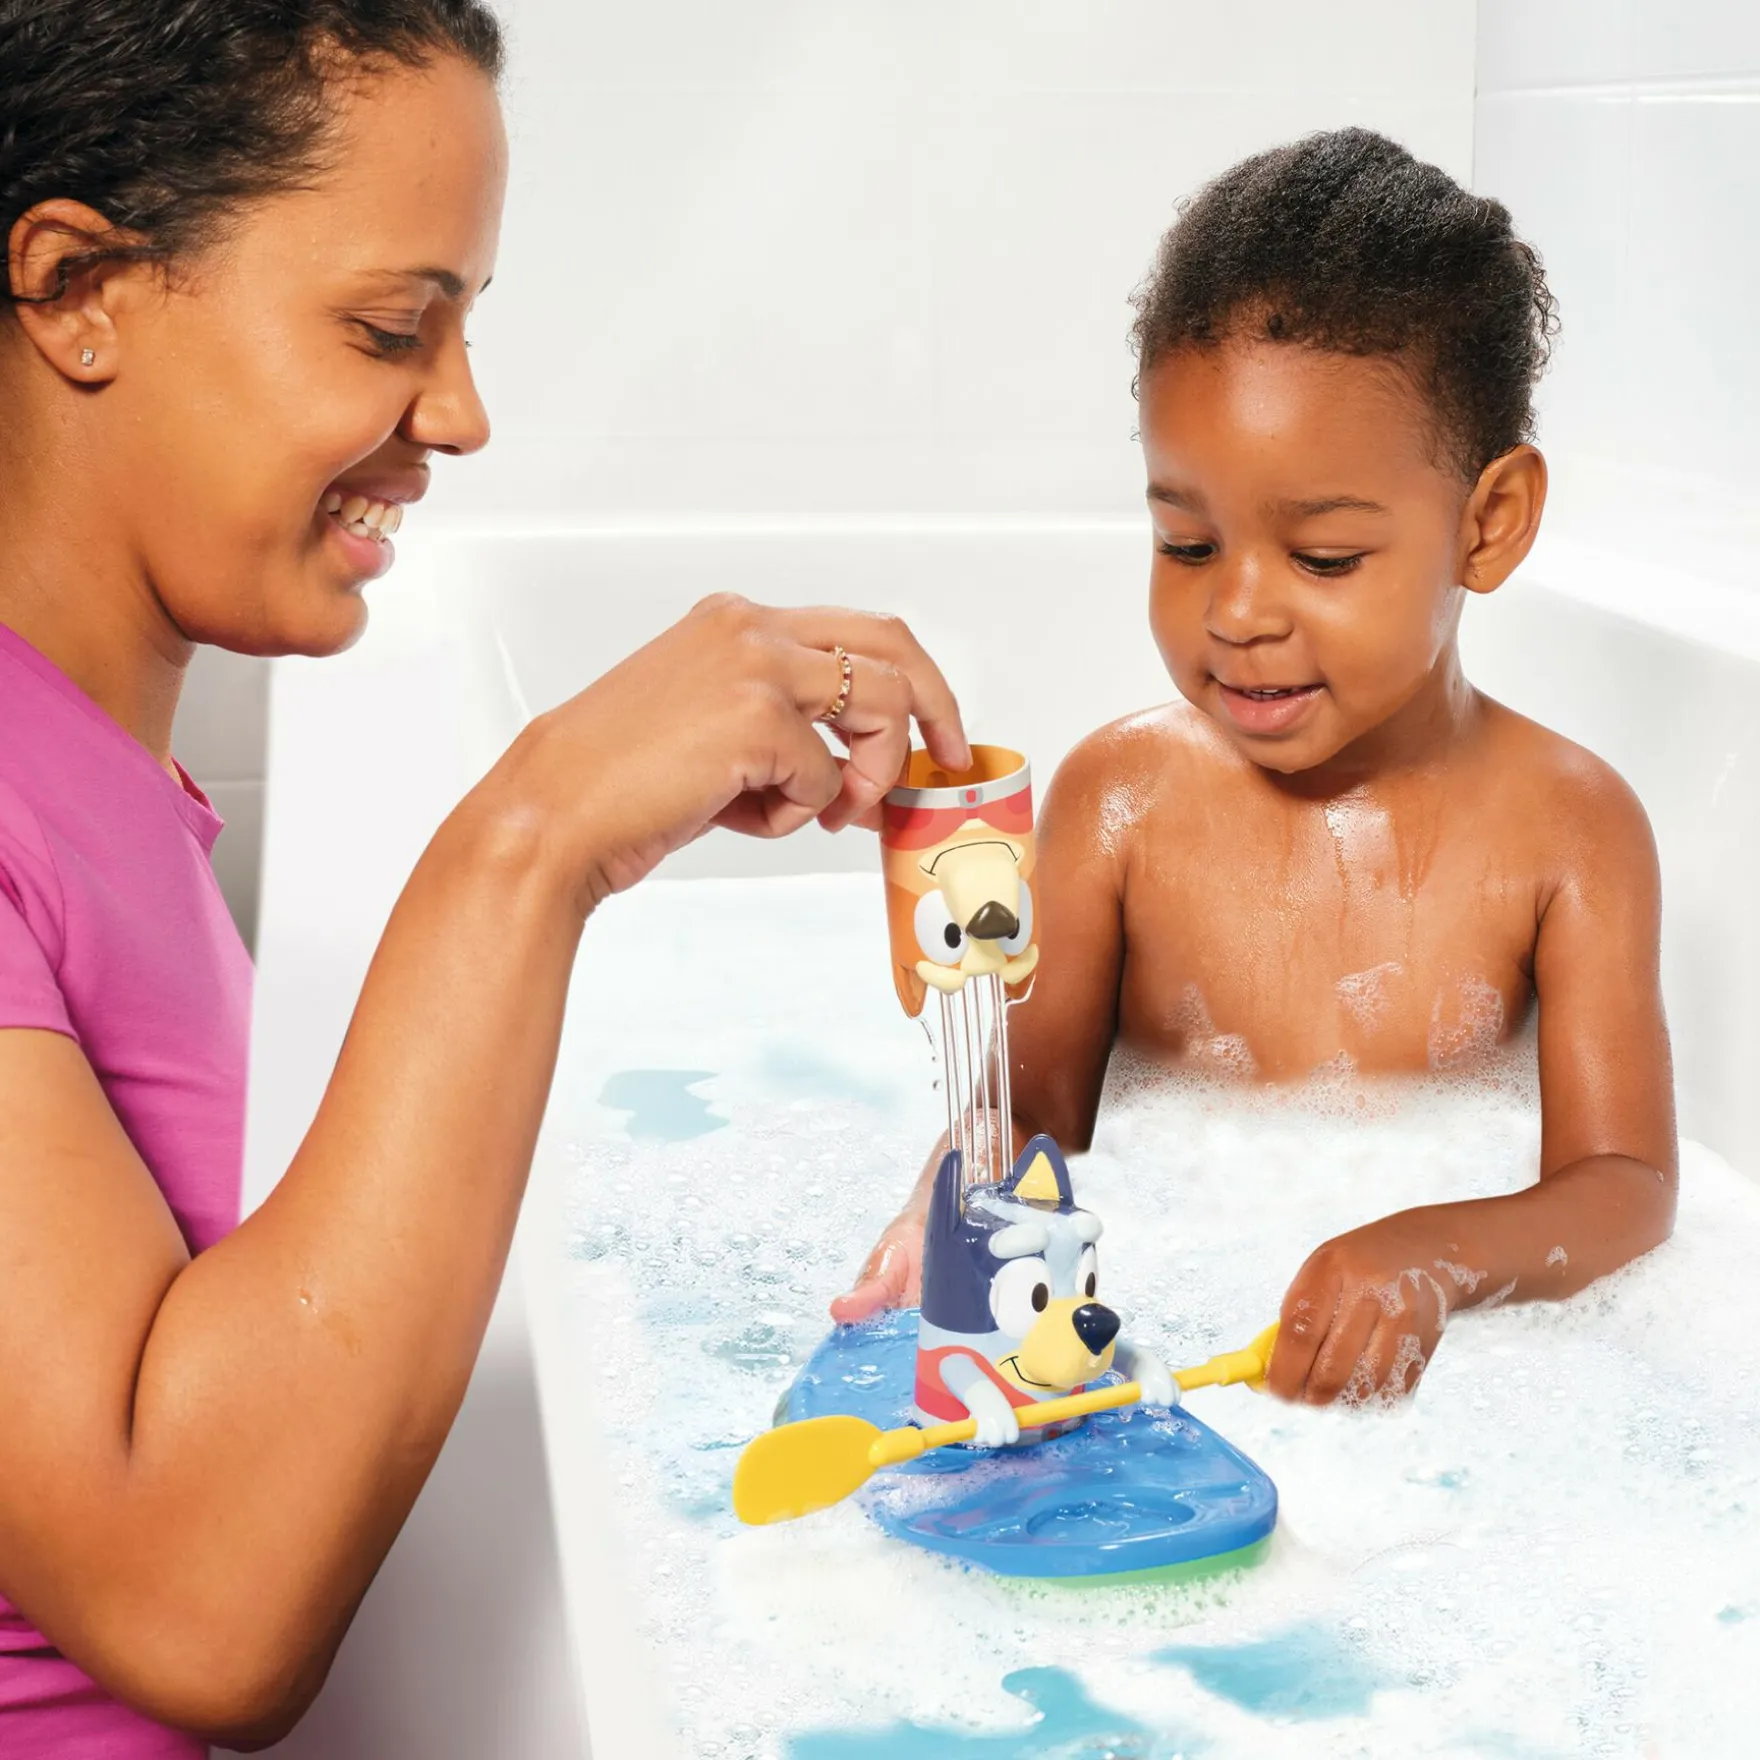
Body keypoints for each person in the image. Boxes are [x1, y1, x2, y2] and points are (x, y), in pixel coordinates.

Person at [0, 2, 969, 1751]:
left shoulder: (87, 770)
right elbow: (194, 1608)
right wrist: (531, 840)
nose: (460, 413)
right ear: (79, 292)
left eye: (464, 328)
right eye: (392, 328)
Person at [835, 129, 1677, 1412]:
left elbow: (1624, 1184)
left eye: (1322, 559)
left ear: (1487, 522)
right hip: (1143, 1369)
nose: (1234, 612)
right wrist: (953, 1198)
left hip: (1452, 1390)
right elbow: (1028, 1106)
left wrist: (1434, 1253)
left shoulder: (1568, 827)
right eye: (1184, 542)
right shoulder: (1119, 799)